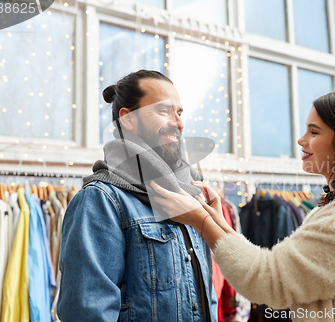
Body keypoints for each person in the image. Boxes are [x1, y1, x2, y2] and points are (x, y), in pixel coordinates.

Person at [151, 88, 335, 321]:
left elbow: (269, 281)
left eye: (314, 132)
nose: (301, 140)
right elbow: (277, 268)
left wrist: (202, 221)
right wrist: (219, 221)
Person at [57, 70, 218, 322]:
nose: (178, 123)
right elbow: (87, 314)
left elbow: (206, 297)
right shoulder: (101, 201)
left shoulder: (192, 196)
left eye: (179, 112)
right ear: (128, 119)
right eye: (164, 111)